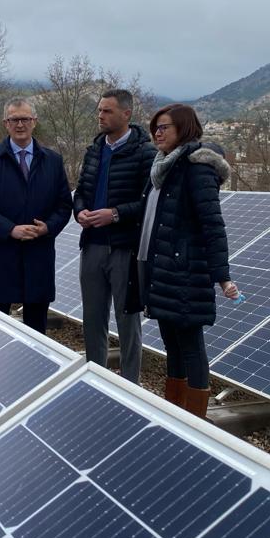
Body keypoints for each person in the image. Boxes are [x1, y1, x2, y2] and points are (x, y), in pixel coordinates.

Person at [133, 103, 239, 418]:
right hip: (161, 269)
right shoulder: (163, 167)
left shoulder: (197, 168)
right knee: (172, 344)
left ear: (184, 128)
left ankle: (195, 420)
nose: (157, 133)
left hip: (185, 272)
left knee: (191, 345)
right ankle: (175, 413)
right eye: (155, 128)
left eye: (164, 127)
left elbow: (213, 225)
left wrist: (222, 276)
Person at [0, 98, 73, 333]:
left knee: (36, 335)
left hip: (39, 258)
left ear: (34, 121)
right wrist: (10, 229)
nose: (20, 124)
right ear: (5, 123)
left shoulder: (53, 161)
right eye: (14, 119)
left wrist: (48, 227)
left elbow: (64, 205)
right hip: (0, 259)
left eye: (25, 119)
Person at [73, 88, 155, 383]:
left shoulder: (145, 153)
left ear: (126, 114)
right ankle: (96, 380)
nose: (100, 116)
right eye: (99, 110)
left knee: (127, 321)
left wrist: (115, 214)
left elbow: (148, 202)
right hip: (92, 245)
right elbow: (81, 191)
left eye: (107, 111)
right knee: (93, 319)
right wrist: (80, 211)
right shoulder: (94, 150)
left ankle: (130, 385)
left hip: (124, 249)